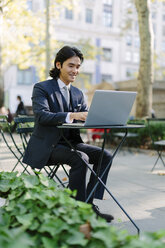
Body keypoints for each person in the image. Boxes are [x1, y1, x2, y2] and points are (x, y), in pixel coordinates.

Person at [23, 46, 114, 222]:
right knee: (81, 158)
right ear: (59, 65)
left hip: (71, 143)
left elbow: (84, 118)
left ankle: (87, 203)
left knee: (105, 155)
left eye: (78, 67)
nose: (75, 71)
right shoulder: (41, 88)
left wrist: (101, 117)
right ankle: (77, 210)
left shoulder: (78, 93)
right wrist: (72, 115)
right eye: (71, 66)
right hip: (47, 147)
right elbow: (42, 116)